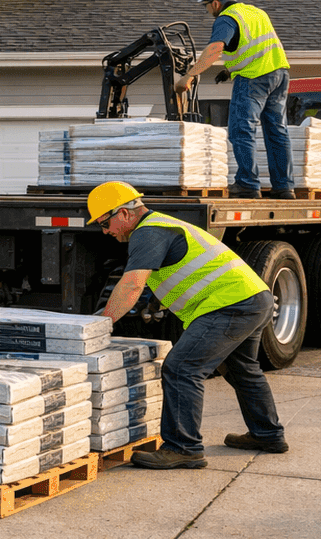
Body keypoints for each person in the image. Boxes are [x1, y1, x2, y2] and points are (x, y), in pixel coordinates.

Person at [87, 180, 287, 469]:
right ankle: (268, 434)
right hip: (252, 299)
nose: (106, 232)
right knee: (241, 368)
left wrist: (100, 324)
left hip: (229, 305)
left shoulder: (148, 231)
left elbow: (131, 284)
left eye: (105, 223)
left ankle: (183, 447)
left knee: (181, 368)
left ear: (124, 213)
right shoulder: (160, 227)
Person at [173, 0, 295, 199]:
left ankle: (248, 184)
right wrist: (229, 70)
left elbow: (215, 49)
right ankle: (284, 187)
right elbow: (256, 47)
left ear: (216, 3)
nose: (207, 9)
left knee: (241, 129)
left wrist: (189, 75)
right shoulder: (256, 13)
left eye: (206, 5)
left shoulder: (226, 19)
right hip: (279, 74)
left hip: (253, 78)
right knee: (277, 131)